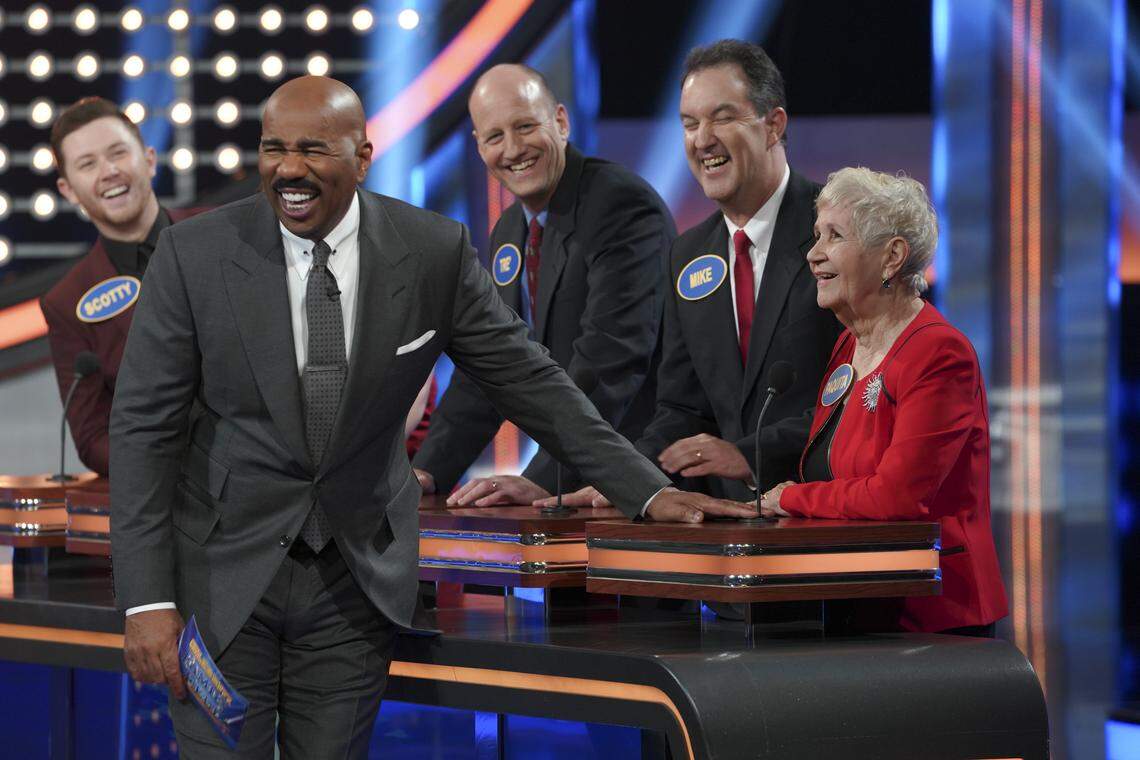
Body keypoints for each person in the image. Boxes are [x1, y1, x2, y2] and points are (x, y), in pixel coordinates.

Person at [109, 76, 754, 757]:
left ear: (363, 158)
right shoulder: (195, 253)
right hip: (221, 583)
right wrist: (146, 601)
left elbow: (529, 381)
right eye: (274, 149)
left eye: (313, 150)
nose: (289, 169)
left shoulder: (430, 251)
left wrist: (645, 490)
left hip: (352, 589)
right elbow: (144, 429)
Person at [544, 40, 840, 511]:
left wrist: (749, 454)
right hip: (730, 528)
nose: (702, 140)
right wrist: (630, 481)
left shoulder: (836, 230)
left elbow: (866, 395)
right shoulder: (687, 254)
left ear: (773, 125)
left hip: (831, 515)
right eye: (689, 123)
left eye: (722, 117)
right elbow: (682, 409)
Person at [758, 167, 1008, 635]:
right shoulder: (847, 346)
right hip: (856, 596)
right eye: (817, 235)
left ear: (892, 256)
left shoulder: (939, 352)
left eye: (834, 236)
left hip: (933, 614)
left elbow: (896, 497)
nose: (814, 253)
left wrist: (792, 497)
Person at [413, 64, 675, 507]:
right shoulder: (509, 230)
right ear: (479, 146)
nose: (513, 149)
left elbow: (610, 360)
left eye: (525, 126)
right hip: (577, 479)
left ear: (561, 121)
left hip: (641, 477)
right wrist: (428, 472)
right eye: (495, 136)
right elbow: (489, 365)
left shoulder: (620, 205)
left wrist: (544, 479)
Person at [40, 97, 202, 475]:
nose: (108, 171)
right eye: (87, 164)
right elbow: (92, 436)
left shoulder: (223, 233)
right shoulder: (66, 303)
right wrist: (174, 468)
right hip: (171, 493)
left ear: (149, 159)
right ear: (68, 190)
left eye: (118, 153)